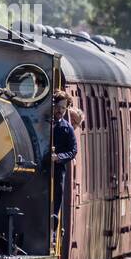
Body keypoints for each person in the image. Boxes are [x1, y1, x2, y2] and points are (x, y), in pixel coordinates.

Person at [48, 93, 78, 231]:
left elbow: (73, 150)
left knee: (56, 197)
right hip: (41, 170)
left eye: (63, 108)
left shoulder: (67, 129)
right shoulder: (44, 123)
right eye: (58, 107)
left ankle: (53, 229)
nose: (60, 111)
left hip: (57, 171)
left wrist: (59, 157)